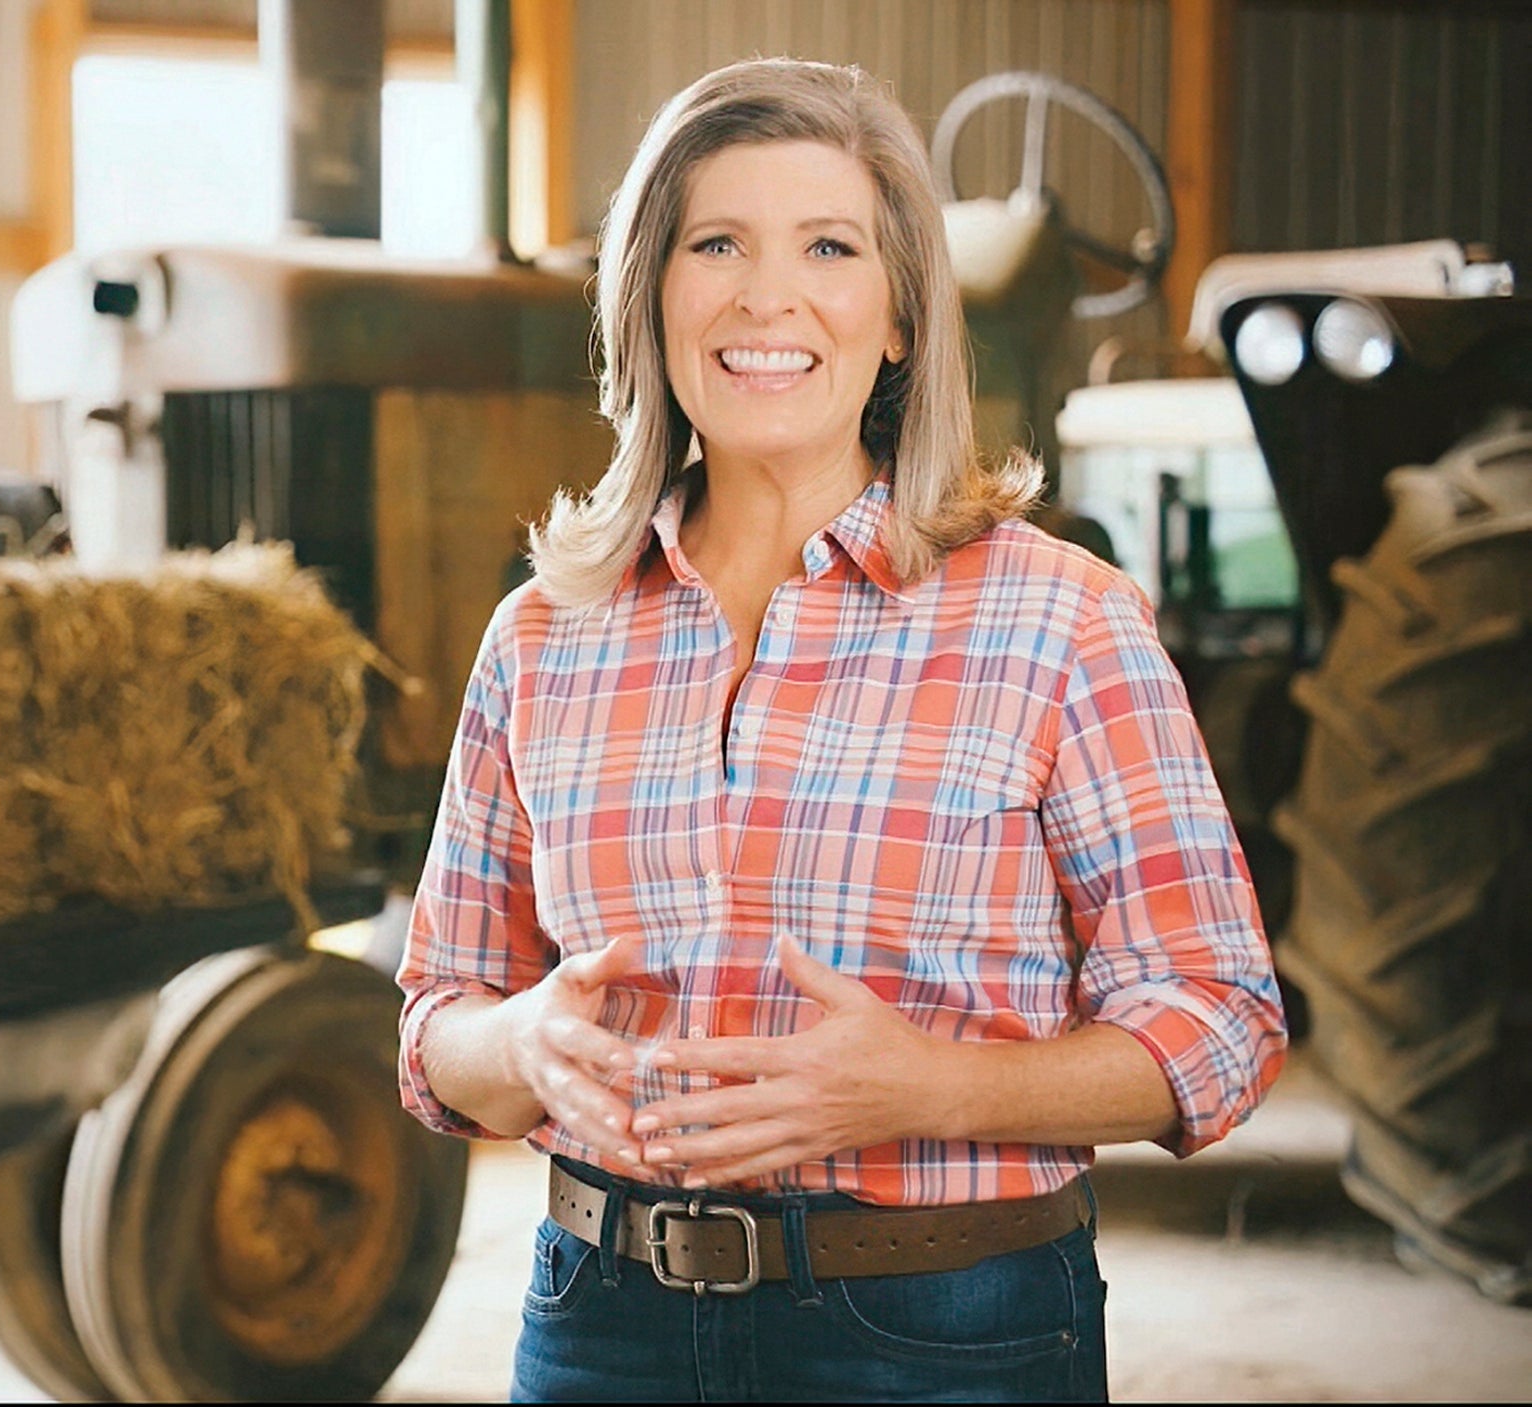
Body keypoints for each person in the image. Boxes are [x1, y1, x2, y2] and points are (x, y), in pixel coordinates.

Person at [396, 58, 1286, 1404]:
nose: (768, 295)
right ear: (654, 301)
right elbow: (434, 1024)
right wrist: (519, 1044)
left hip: (948, 1332)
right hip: (600, 1324)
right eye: (717, 245)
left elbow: (1221, 1023)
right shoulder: (542, 636)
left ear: (901, 319)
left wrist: (934, 1089)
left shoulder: (1060, 623)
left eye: (828, 245)